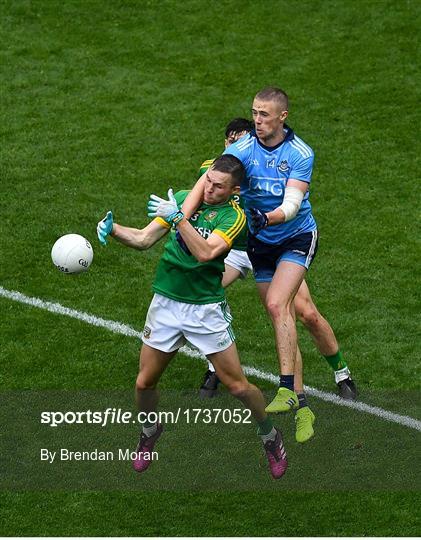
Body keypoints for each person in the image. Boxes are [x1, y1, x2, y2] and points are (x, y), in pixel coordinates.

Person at [96, 154, 288, 479]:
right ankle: (150, 430)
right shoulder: (185, 200)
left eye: (219, 187)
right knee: (144, 383)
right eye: (208, 182)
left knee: (238, 387)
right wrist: (113, 229)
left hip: (204, 310)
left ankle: (270, 436)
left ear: (235, 191)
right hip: (166, 304)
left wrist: (177, 218)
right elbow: (144, 239)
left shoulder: (233, 218)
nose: (210, 190)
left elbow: (205, 253)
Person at [181, 87, 350, 442]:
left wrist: (265, 218)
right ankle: (302, 405)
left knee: (282, 305)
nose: (257, 121)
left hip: (295, 236)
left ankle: (293, 387)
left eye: (264, 115)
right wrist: (182, 214)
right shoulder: (240, 149)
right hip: (260, 244)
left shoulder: (300, 153)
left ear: (282, 117)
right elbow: (211, 179)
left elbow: (291, 205)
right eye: (254, 113)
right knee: (282, 316)